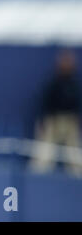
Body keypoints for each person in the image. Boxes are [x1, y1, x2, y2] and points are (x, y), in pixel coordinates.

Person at [29, 49, 82, 177]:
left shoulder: (75, 85)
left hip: (70, 122)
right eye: (64, 62)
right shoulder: (53, 84)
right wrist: (44, 122)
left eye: (69, 62)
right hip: (53, 121)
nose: (66, 65)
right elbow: (45, 104)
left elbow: (77, 105)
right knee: (44, 154)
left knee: (74, 154)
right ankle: (35, 178)